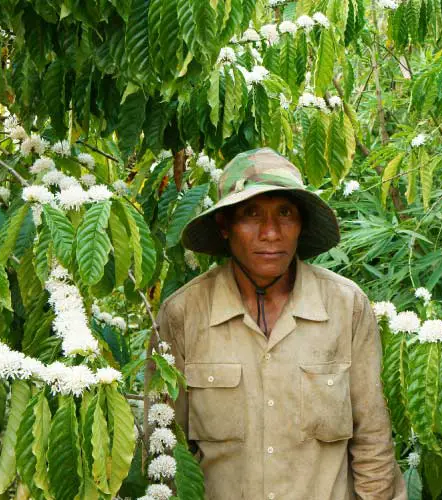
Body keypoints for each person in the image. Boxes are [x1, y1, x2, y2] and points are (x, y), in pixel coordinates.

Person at [155, 148, 406, 499]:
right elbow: (164, 446)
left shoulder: (345, 307)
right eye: (251, 213)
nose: (271, 232)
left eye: (285, 213)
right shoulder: (183, 315)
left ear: (301, 225)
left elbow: (373, 441)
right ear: (225, 226)